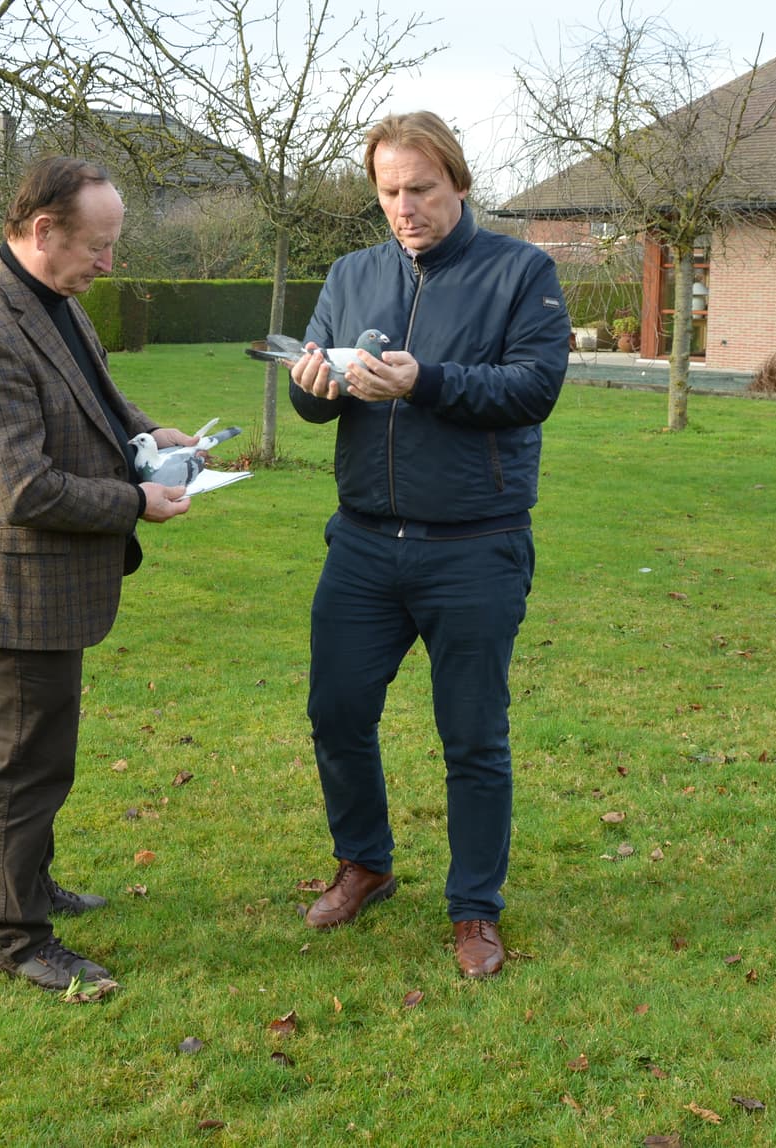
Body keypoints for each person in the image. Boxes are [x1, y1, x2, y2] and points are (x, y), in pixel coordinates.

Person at [284, 112, 569, 978]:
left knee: (472, 737)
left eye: (421, 190)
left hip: (473, 545)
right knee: (336, 713)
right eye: (388, 193)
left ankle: (476, 909)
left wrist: (427, 378)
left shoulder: (522, 270)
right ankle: (364, 863)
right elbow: (314, 405)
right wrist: (314, 388)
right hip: (365, 543)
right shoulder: (352, 273)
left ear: (459, 183)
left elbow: (535, 386)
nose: (404, 209)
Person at [0, 157, 196, 993]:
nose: (109, 262)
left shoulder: (53, 301)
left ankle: (31, 889)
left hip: (45, 586)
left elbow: (96, 399)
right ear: (43, 232)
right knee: (22, 766)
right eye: (99, 245)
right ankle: (15, 938)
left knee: (45, 756)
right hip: (7, 589)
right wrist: (135, 501)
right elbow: (22, 487)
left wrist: (157, 435)